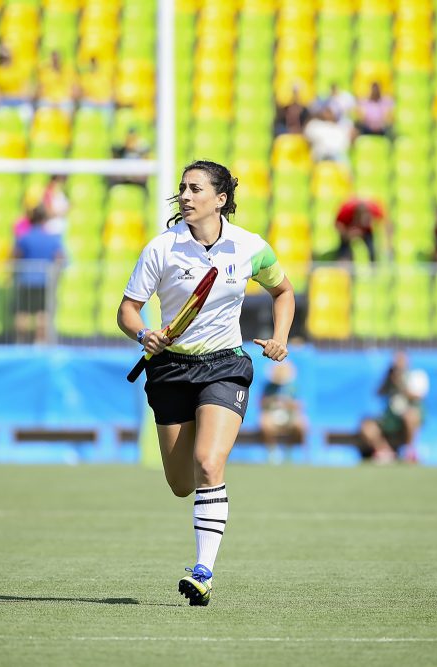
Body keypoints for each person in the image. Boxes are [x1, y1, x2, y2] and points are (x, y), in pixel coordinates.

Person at [116, 160, 295, 606]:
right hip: (171, 370)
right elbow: (127, 310)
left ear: (220, 198)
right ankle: (204, 522)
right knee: (181, 482)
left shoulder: (249, 247)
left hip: (225, 366)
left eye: (195, 188)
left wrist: (279, 338)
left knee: (209, 462)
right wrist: (144, 333)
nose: (186, 196)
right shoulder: (162, 249)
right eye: (182, 189)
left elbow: (283, 291)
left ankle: (203, 572)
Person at [358, 352, 426, 464]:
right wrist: (388, 379)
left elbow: (418, 395)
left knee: (411, 416)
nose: (398, 363)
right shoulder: (390, 377)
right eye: (396, 361)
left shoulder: (416, 376)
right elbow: (378, 393)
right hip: (390, 420)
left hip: (406, 420)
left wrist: (400, 384)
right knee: (366, 425)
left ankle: (410, 451)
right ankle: (385, 452)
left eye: (400, 360)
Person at [14, 205, 66, 343]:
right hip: (45, 281)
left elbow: (15, 257)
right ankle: (40, 343)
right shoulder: (53, 238)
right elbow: (60, 258)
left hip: (26, 280)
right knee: (42, 313)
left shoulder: (24, 238)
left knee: (23, 312)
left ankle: (21, 343)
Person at [258, 359, 307, 463]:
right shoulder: (268, 387)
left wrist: (287, 402)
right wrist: (272, 400)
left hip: (289, 415)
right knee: (264, 422)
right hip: (272, 414)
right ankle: (272, 451)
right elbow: (261, 403)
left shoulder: (293, 386)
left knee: (301, 424)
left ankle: (291, 451)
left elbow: (300, 405)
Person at [0, 44, 35, 124]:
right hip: (3, 102)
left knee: (27, 113)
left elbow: (26, 91)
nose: (3, 59)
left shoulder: (19, 70)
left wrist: (13, 95)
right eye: (1, 57)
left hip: (19, 101)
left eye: (5, 57)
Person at [334, 197, 385, 262]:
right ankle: (343, 265)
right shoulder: (346, 210)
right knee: (344, 250)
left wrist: (386, 243)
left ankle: (373, 266)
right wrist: (346, 235)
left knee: (372, 250)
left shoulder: (375, 209)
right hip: (348, 230)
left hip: (367, 231)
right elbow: (337, 224)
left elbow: (386, 223)